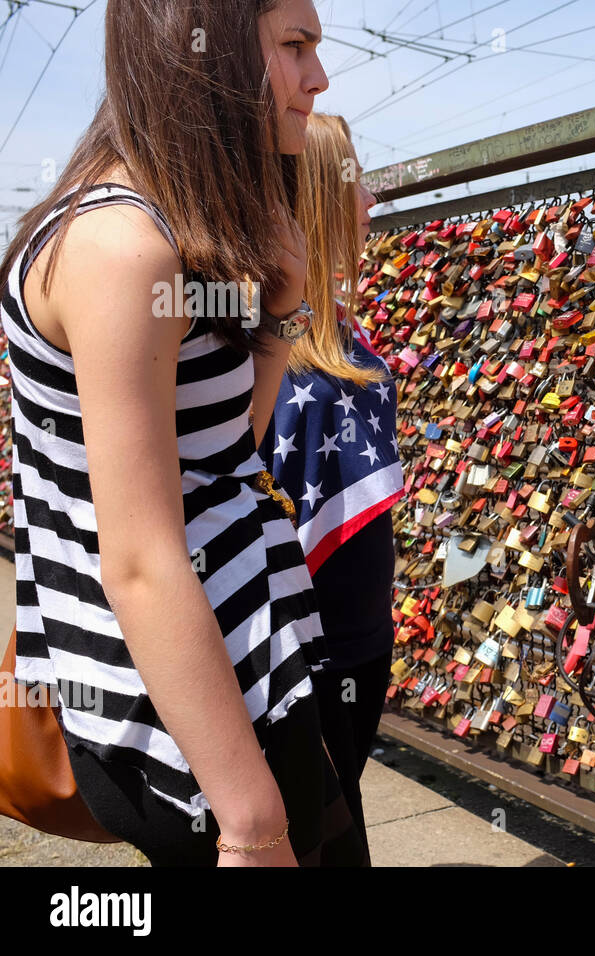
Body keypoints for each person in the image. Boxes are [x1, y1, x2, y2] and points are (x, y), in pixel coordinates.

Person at [0, 0, 366, 867]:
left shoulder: (166, 231)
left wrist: (281, 311)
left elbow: (220, 451)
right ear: (203, 51)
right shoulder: (125, 247)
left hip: (247, 670)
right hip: (203, 721)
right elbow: (141, 558)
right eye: (295, 45)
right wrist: (250, 822)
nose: (319, 77)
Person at [258, 114, 403, 853]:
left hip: (362, 635)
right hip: (309, 651)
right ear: (318, 194)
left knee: (339, 818)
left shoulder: (340, 328)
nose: (369, 198)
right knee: (330, 841)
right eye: (355, 179)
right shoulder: (270, 335)